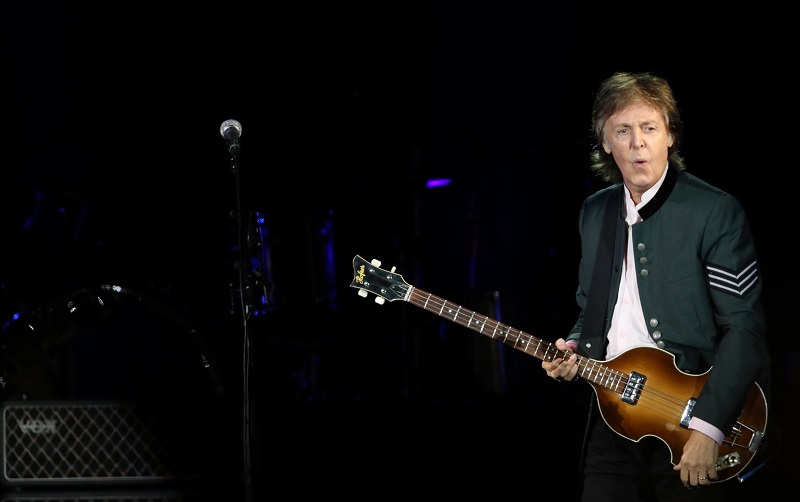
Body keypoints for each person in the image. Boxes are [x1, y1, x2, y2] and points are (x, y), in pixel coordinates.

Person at [541, 71, 772, 501]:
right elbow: (590, 309)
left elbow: (746, 331)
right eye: (622, 131)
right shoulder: (595, 211)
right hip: (612, 418)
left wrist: (709, 427)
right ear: (606, 143)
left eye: (649, 128)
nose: (637, 143)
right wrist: (572, 348)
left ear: (670, 136)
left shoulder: (714, 211)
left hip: (689, 421)